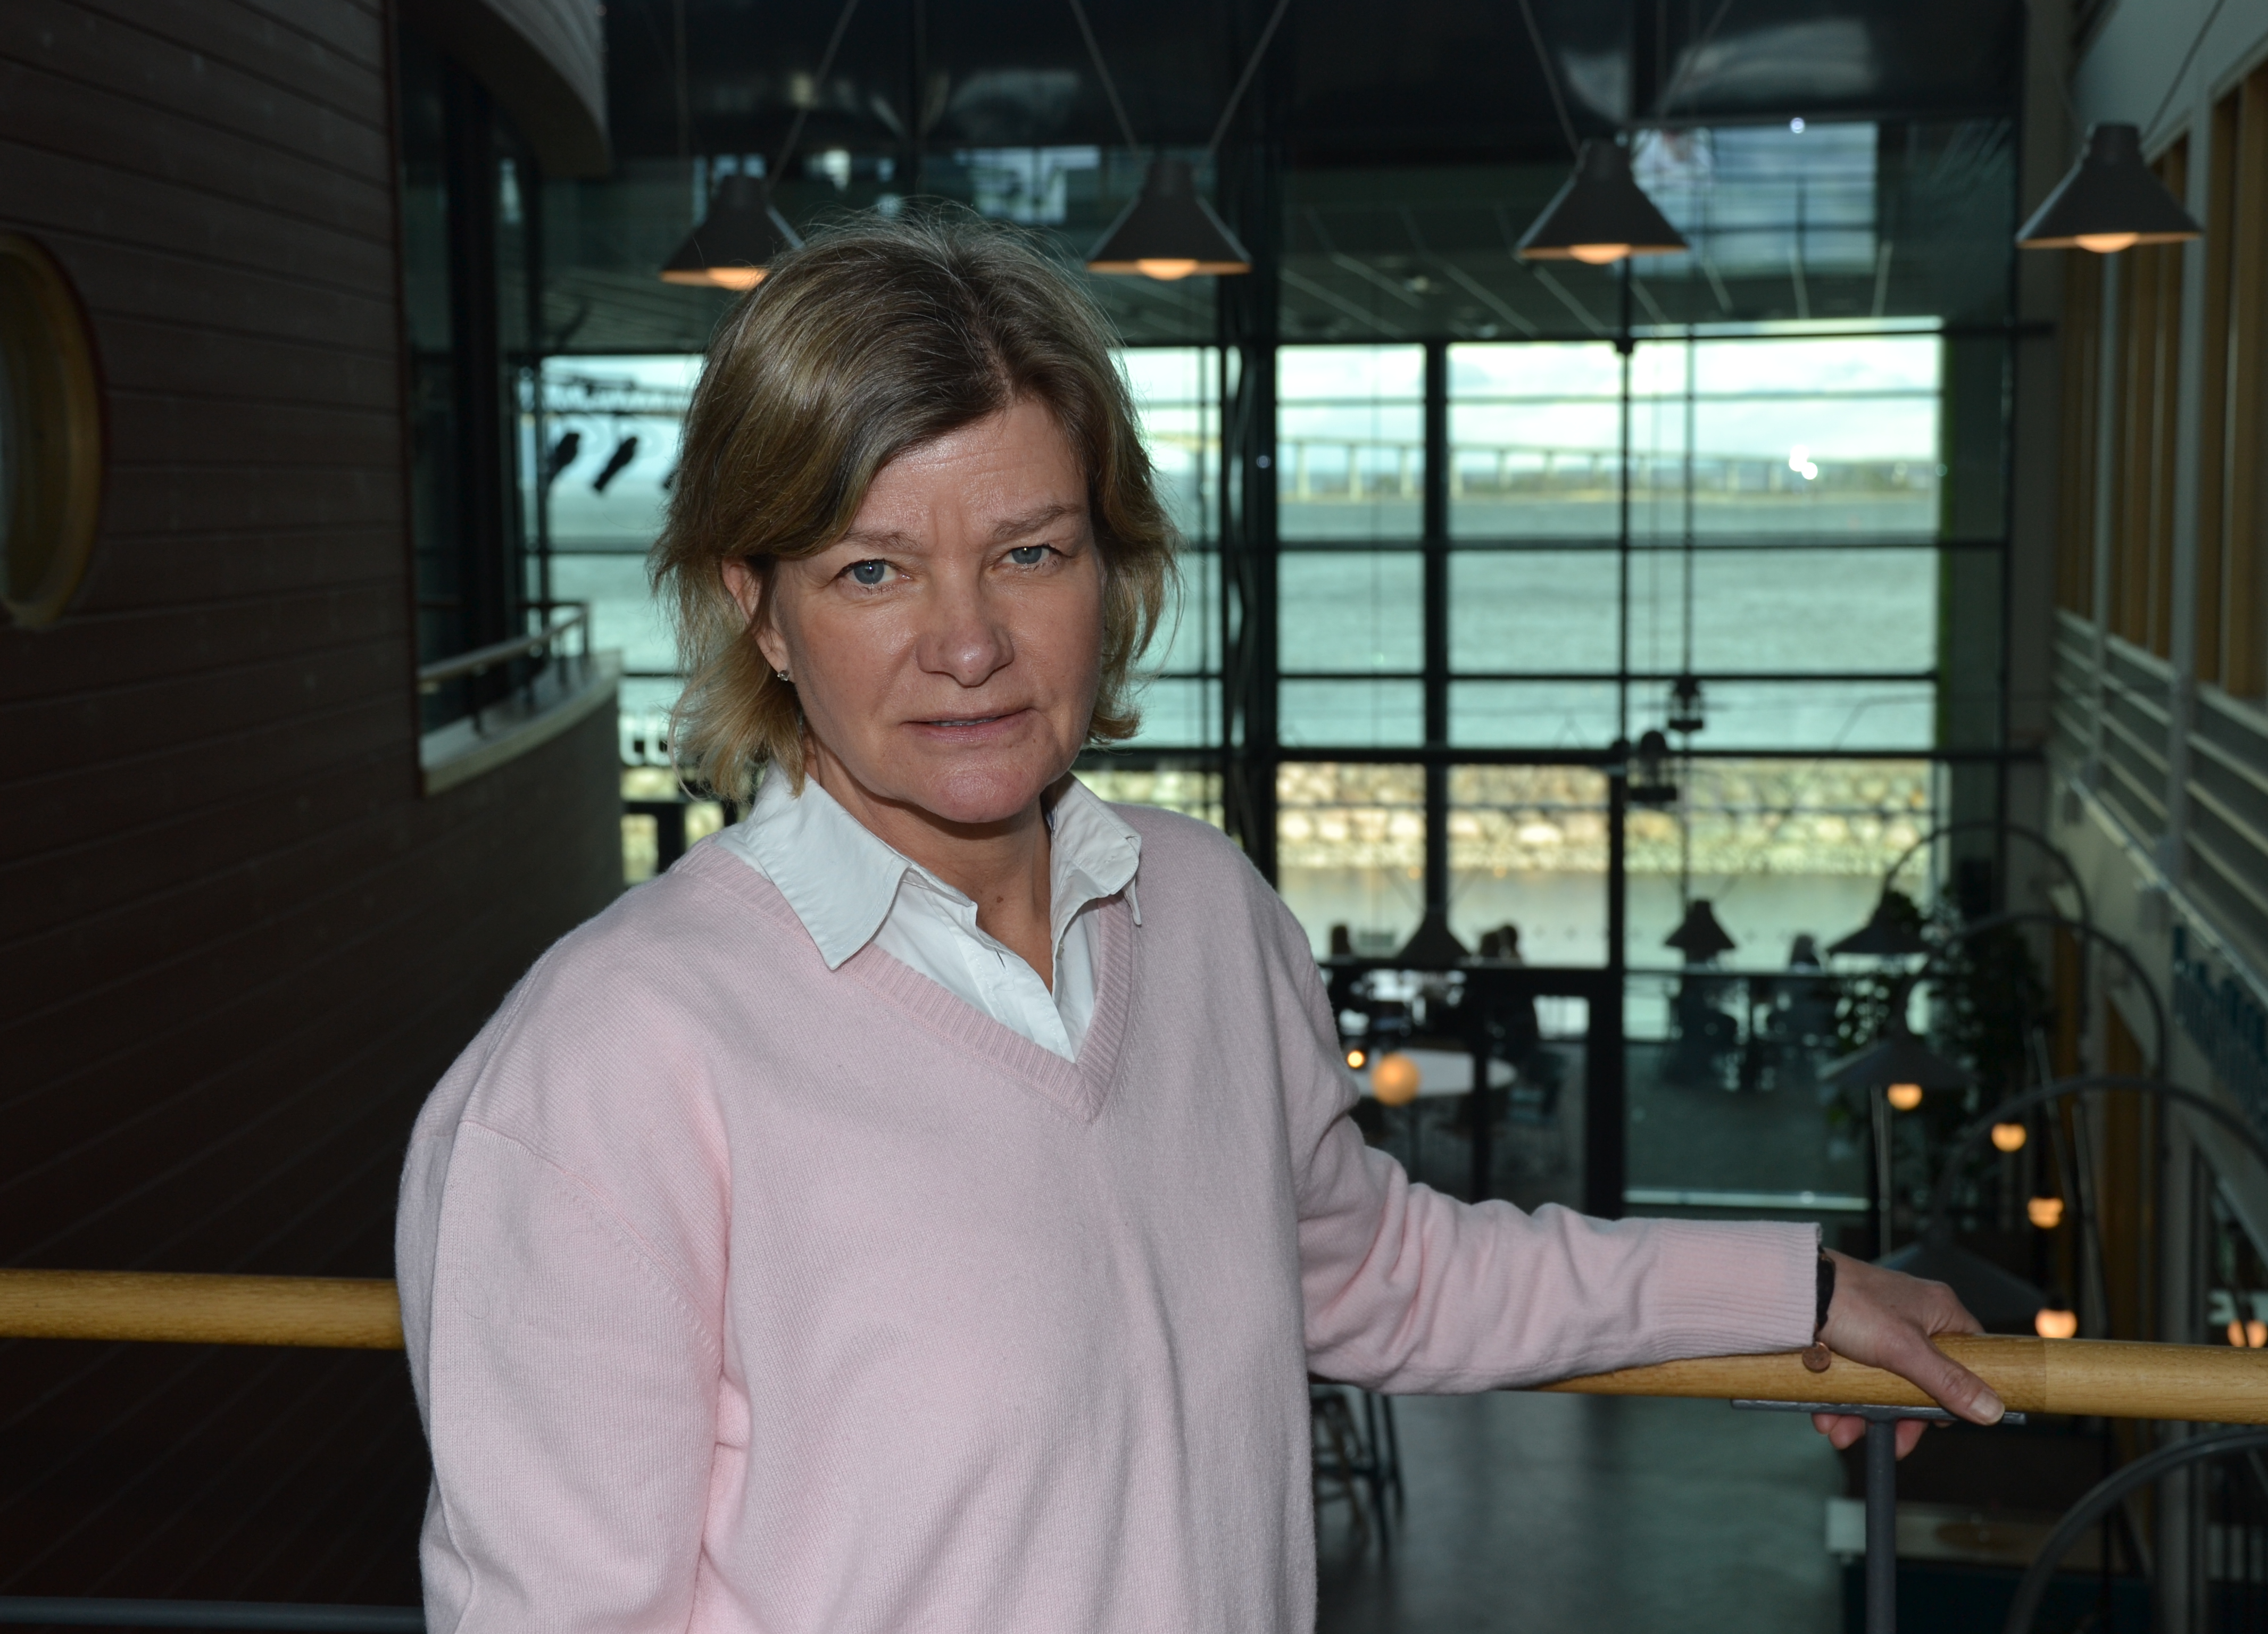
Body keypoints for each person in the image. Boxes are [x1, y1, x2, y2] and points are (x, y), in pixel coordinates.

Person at [395, 214, 1995, 1634]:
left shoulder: (1207, 913)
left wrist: (1791, 1293)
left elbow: (1382, 1274)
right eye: (874, 571)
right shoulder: (609, 1063)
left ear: (1114, 568)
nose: (969, 643)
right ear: (758, 604)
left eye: (1030, 552)